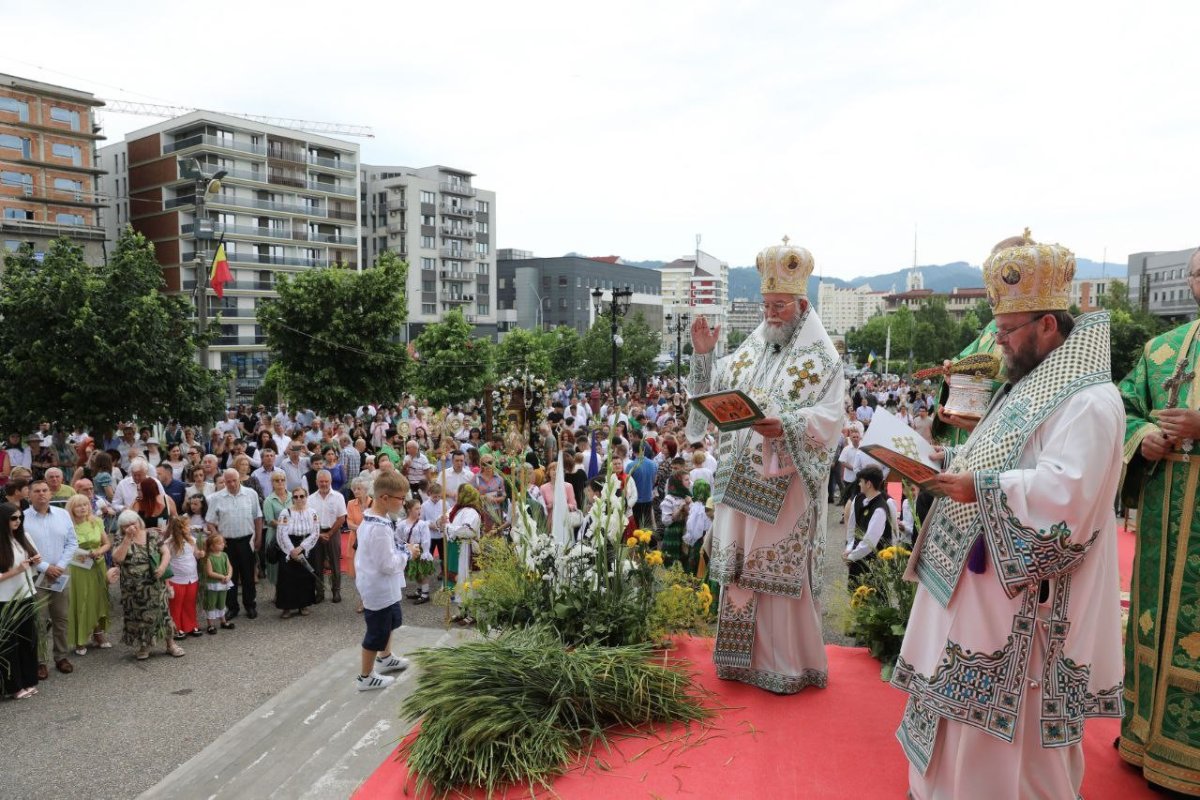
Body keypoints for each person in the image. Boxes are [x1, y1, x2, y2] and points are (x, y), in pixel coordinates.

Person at [893, 233, 1124, 799]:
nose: (998, 346)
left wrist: (982, 488)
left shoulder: (1090, 401)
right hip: (981, 589)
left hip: (1027, 607)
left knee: (1010, 756)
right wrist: (953, 464)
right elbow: (1012, 454)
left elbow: (1068, 500)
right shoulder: (1033, 382)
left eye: (1007, 332)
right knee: (956, 723)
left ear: (1048, 325)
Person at [688, 239, 845, 694]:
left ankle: (786, 668)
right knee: (740, 575)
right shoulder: (753, 348)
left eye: (779, 306)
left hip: (786, 490)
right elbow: (712, 394)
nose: (770, 315)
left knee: (774, 579)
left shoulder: (823, 361)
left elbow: (831, 420)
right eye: (766, 305)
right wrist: (703, 355)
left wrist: (789, 427)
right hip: (741, 488)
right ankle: (739, 662)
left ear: (801, 304)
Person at [1115, 243, 1200, 794]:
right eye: (1198, 273)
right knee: (1154, 620)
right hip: (1162, 524)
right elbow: (1118, 406)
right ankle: (1146, 736)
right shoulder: (1165, 350)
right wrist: (1141, 437)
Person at [353, 471, 420, 691]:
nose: (403, 502)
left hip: (384, 585)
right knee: (377, 631)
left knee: (391, 622)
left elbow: (389, 550)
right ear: (384, 498)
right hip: (377, 586)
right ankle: (365, 676)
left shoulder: (378, 519)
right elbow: (387, 564)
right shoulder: (378, 527)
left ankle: (386, 656)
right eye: (400, 498)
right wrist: (408, 554)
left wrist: (403, 548)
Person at [24, 479, 78, 677]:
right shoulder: (23, 519)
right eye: (36, 491)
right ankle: (40, 661)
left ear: (50, 493)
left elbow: (72, 542)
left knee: (61, 617)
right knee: (39, 619)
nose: (41, 494)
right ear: (29, 495)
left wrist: (61, 566)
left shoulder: (63, 515)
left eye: (45, 490)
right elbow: (23, 549)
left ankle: (61, 656)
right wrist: (46, 567)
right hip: (36, 575)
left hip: (61, 573)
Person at [113, 511, 183, 660]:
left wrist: (163, 567)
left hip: (155, 585)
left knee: (163, 614)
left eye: (134, 523)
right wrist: (127, 538)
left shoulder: (152, 535)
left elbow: (165, 553)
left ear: (139, 522)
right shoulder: (120, 538)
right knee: (139, 616)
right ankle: (145, 646)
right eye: (127, 525)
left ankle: (170, 644)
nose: (132, 527)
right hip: (133, 588)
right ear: (122, 527)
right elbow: (118, 559)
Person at [205, 469, 263, 621]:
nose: (231, 484)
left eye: (234, 480)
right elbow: (210, 521)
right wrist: (217, 538)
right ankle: (232, 607)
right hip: (227, 543)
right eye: (227, 481)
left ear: (239, 479)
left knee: (248, 575)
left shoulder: (251, 494)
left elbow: (258, 517)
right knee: (229, 576)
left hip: (247, 540)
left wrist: (258, 537)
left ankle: (250, 605)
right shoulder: (217, 498)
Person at [0, 502, 41, 698]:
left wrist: (35, 561)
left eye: (20, 518)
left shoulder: (22, 537)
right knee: (9, 644)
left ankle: (29, 679)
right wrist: (15, 571)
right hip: (5, 599)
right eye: (13, 518)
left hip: (27, 594)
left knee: (28, 639)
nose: (18, 521)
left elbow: (31, 564)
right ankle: (14, 686)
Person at [64, 494, 111, 655]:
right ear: (71, 509)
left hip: (98, 565)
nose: (83, 508)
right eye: (78, 505)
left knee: (98, 599)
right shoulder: (67, 525)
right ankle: (80, 638)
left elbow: (107, 544)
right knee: (82, 600)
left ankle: (98, 634)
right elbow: (65, 549)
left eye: (85, 504)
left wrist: (98, 551)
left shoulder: (96, 521)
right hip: (78, 567)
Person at [841, 465, 893, 592]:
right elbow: (852, 527)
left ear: (868, 484)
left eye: (861, 481)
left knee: (871, 599)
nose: (859, 484)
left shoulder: (880, 508)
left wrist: (851, 556)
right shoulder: (858, 499)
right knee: (855, 595)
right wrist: (849, 548)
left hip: (871, 562)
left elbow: (870, 542)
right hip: (856, 556)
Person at [275, 485, 319, 618]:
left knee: (305, 577)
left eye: (302, 496)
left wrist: (302, 548)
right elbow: (281, 533)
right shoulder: (285, 513)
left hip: (305, 547)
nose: (299, 499)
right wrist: (292, 551)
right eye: (296, 496)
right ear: (292, 498)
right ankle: (286, 607)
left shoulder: (313, 513)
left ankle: (303, 605)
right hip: (289, 547)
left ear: (306, 497)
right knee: (287, 578)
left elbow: (316, 532)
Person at [308, 469, 347, 604]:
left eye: (326, 481)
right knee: (317, 564)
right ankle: (320, 592)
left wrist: (329, 534)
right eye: (321, 481)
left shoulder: (338, 497)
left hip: (333, 532)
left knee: (335, 564)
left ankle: (336, 591)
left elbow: (342, 518)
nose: (324, 484)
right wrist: (318, 535)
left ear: (330, 481)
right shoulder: (310, 499)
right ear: (316, 482)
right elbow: (309, 520)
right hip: (316, 533)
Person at [445, 483, 483, 620]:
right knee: (459, 580)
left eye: (460, 492)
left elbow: (468, 530)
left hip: (467, 550)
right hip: (457, 549)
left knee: (467, 579)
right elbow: (444, 521)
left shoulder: (472, 512)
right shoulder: (456, 510)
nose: (457, 495)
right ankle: (462, 611)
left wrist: (450, 528)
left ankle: (472, 614)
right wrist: (444, 523)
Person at [163, 516, 202, 639]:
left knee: (189, 602)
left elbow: (195, 553)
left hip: (192, 578)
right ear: (180, 528)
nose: (189, 528)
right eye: (187, 526)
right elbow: (166, 561)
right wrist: (167, 582)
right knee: (176, 604)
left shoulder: (192, 540)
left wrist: (200, 554)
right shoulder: (169, 543)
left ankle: (190, 625)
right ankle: (176, 627)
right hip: (177, 579)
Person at [398, 498, 436, 603]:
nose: (419, 511)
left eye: (420, 508)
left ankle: (425, 594)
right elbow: (399, 537)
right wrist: (402, 548)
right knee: (416, 573)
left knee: (422, 572)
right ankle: (420, 591)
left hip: (420, 550)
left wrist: (426, 551)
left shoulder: (422, 524)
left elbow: (426, 538)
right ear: (409, 510)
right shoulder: (402, 524)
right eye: (416, 509)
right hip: (409, 550)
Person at [260, 470, 290, 587]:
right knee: (276, 566)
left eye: (282, 480)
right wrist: (287, 526)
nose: (280, 482)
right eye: (277, 480)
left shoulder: (293, 496)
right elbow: (270, 520)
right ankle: (278, 591)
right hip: (275, 536)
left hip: (291, 535)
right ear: (272, 483)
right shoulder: (268, 500)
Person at [201, 533, 234, 633]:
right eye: (219, 543)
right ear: (211, 546)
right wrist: (222, 577)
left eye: (223, 543)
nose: (222, 545)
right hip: (213, 584)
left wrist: (228, 576)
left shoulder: (224, 555)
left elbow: (229, 567)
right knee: (211, 602)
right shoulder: (208, 557)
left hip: (223, 583)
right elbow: (209, 572)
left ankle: (223, 621)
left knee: (221, 602)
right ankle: (210, 624)